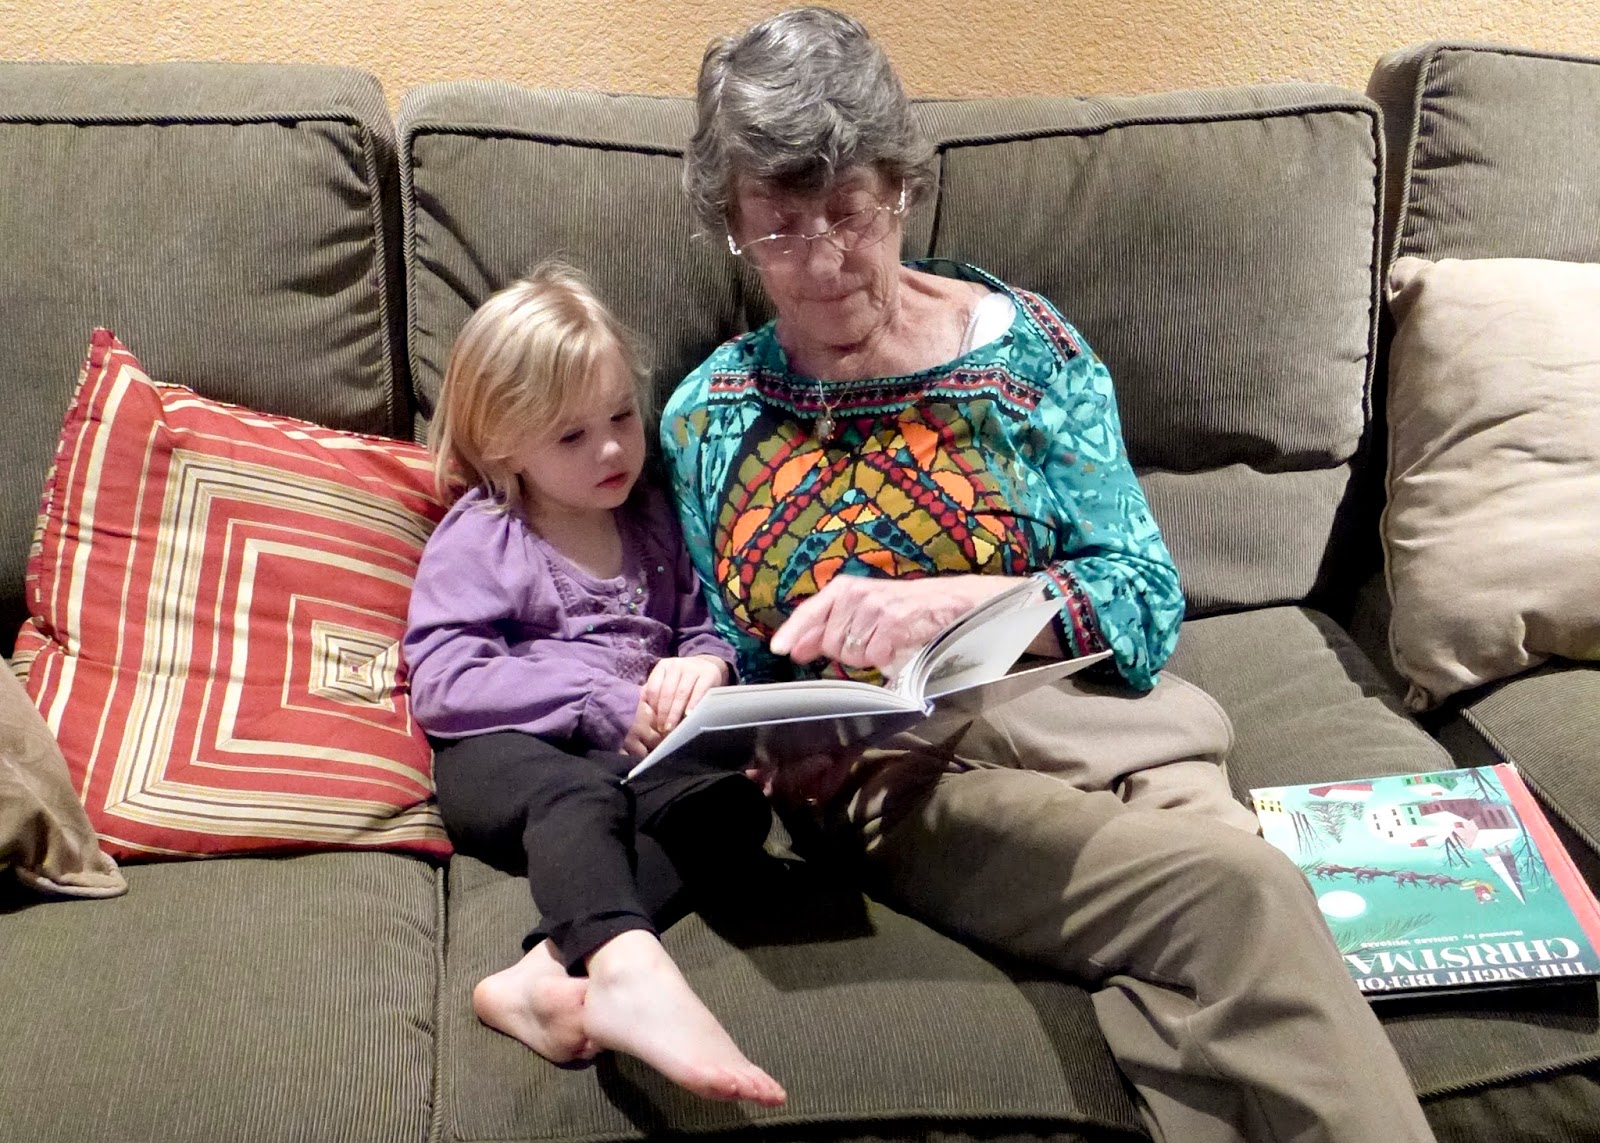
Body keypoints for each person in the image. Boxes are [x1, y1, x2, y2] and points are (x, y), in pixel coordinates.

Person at [665, 9, 1436, 1142]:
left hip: (1113, 725)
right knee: (1245, 893)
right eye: (779, 228)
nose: (824, 263)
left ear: (903, 189)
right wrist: (754, 721)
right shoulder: (711, 418)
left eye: (851, 212)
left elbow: (1144, 601)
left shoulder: (1029, 351)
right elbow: (733, 652)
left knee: (1199, 1006)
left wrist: (957, 602)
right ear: (729, 224)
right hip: (914, 774)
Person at [403, 263, 786, 1107]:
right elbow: (443, 680)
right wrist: (591, 700)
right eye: (571, 436)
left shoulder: (650, 517)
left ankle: (543, 972)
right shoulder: (485, 536)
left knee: (730, 809)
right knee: (583, 795)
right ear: (503, 444)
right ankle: (629, 969)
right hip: (507, 763)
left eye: (620, 415)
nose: (612, 448)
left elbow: (697, 624)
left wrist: (707, 665)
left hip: (630, 766)